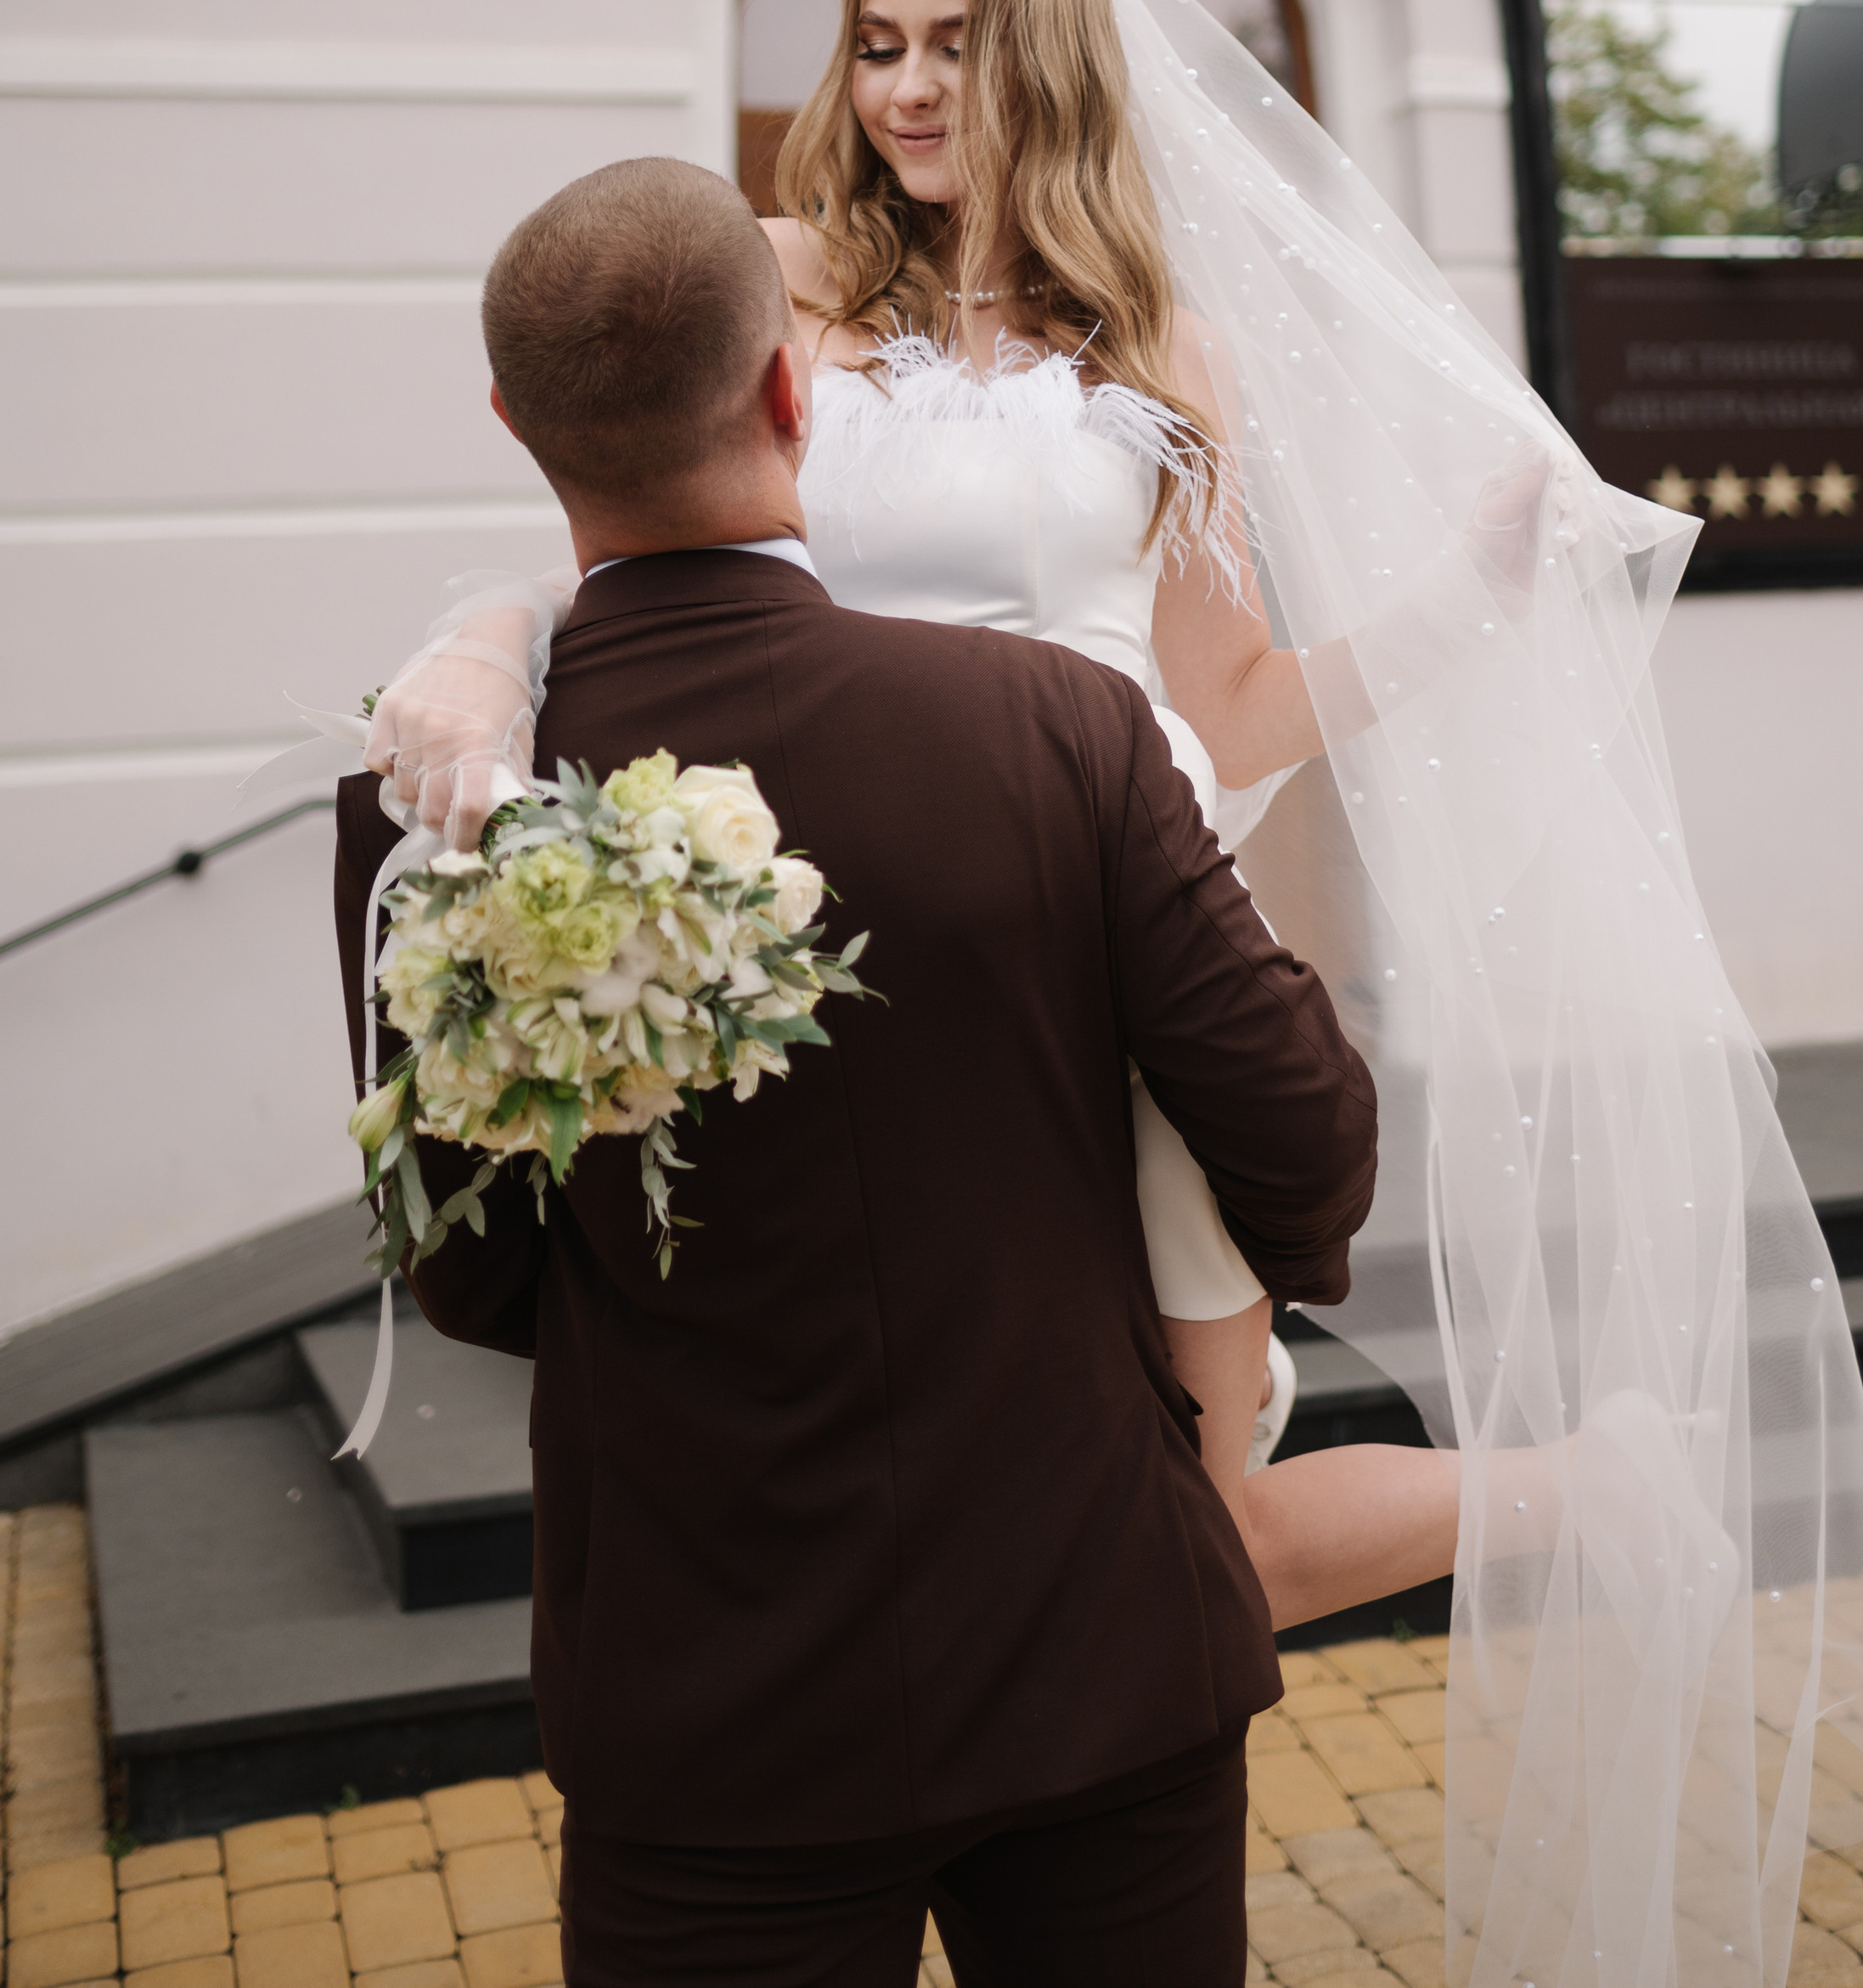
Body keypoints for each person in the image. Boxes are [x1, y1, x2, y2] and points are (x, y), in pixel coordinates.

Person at [366, 0, 1863, 1975]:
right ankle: (1570, 1491)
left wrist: (1465, 602)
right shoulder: (782, 284)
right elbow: (630, 534)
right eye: (876, 42)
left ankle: (1579, 1488)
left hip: (1113, 930)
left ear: (1044, 53)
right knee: (1081, 1513)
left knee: (1194, 1520)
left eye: (953, 43)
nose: (907, 87)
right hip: (822, 938)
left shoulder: (1166, 354)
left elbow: (1227, 706)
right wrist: (481, 637)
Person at [335, 155, 1377, 1988]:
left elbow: (472, 1270)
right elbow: (1303, 1128)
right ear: (790, 389)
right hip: (1094, 1645)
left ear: (513, 422)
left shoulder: (431, 819)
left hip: (708, 1707)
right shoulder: (1061, 727)